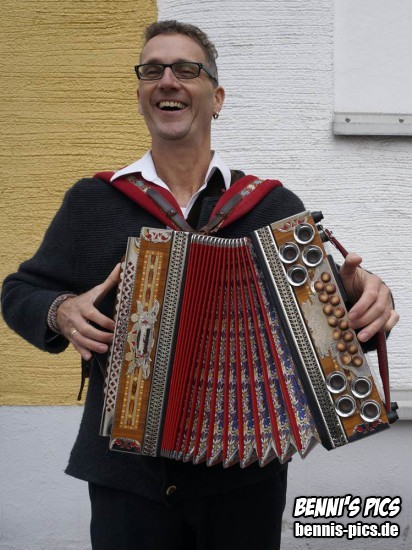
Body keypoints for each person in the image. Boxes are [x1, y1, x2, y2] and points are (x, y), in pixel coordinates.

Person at [1, 20, 399, 550]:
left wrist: (361, 296)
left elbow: (329, 327)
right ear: (141, 96)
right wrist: (60, 310)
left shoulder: (271, 207)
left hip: (246, 476)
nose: (167, 80)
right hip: (127, 478)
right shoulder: (93, 202)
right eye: (152, 71)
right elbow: (19, 291)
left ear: (217, 98)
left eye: (186, 70)